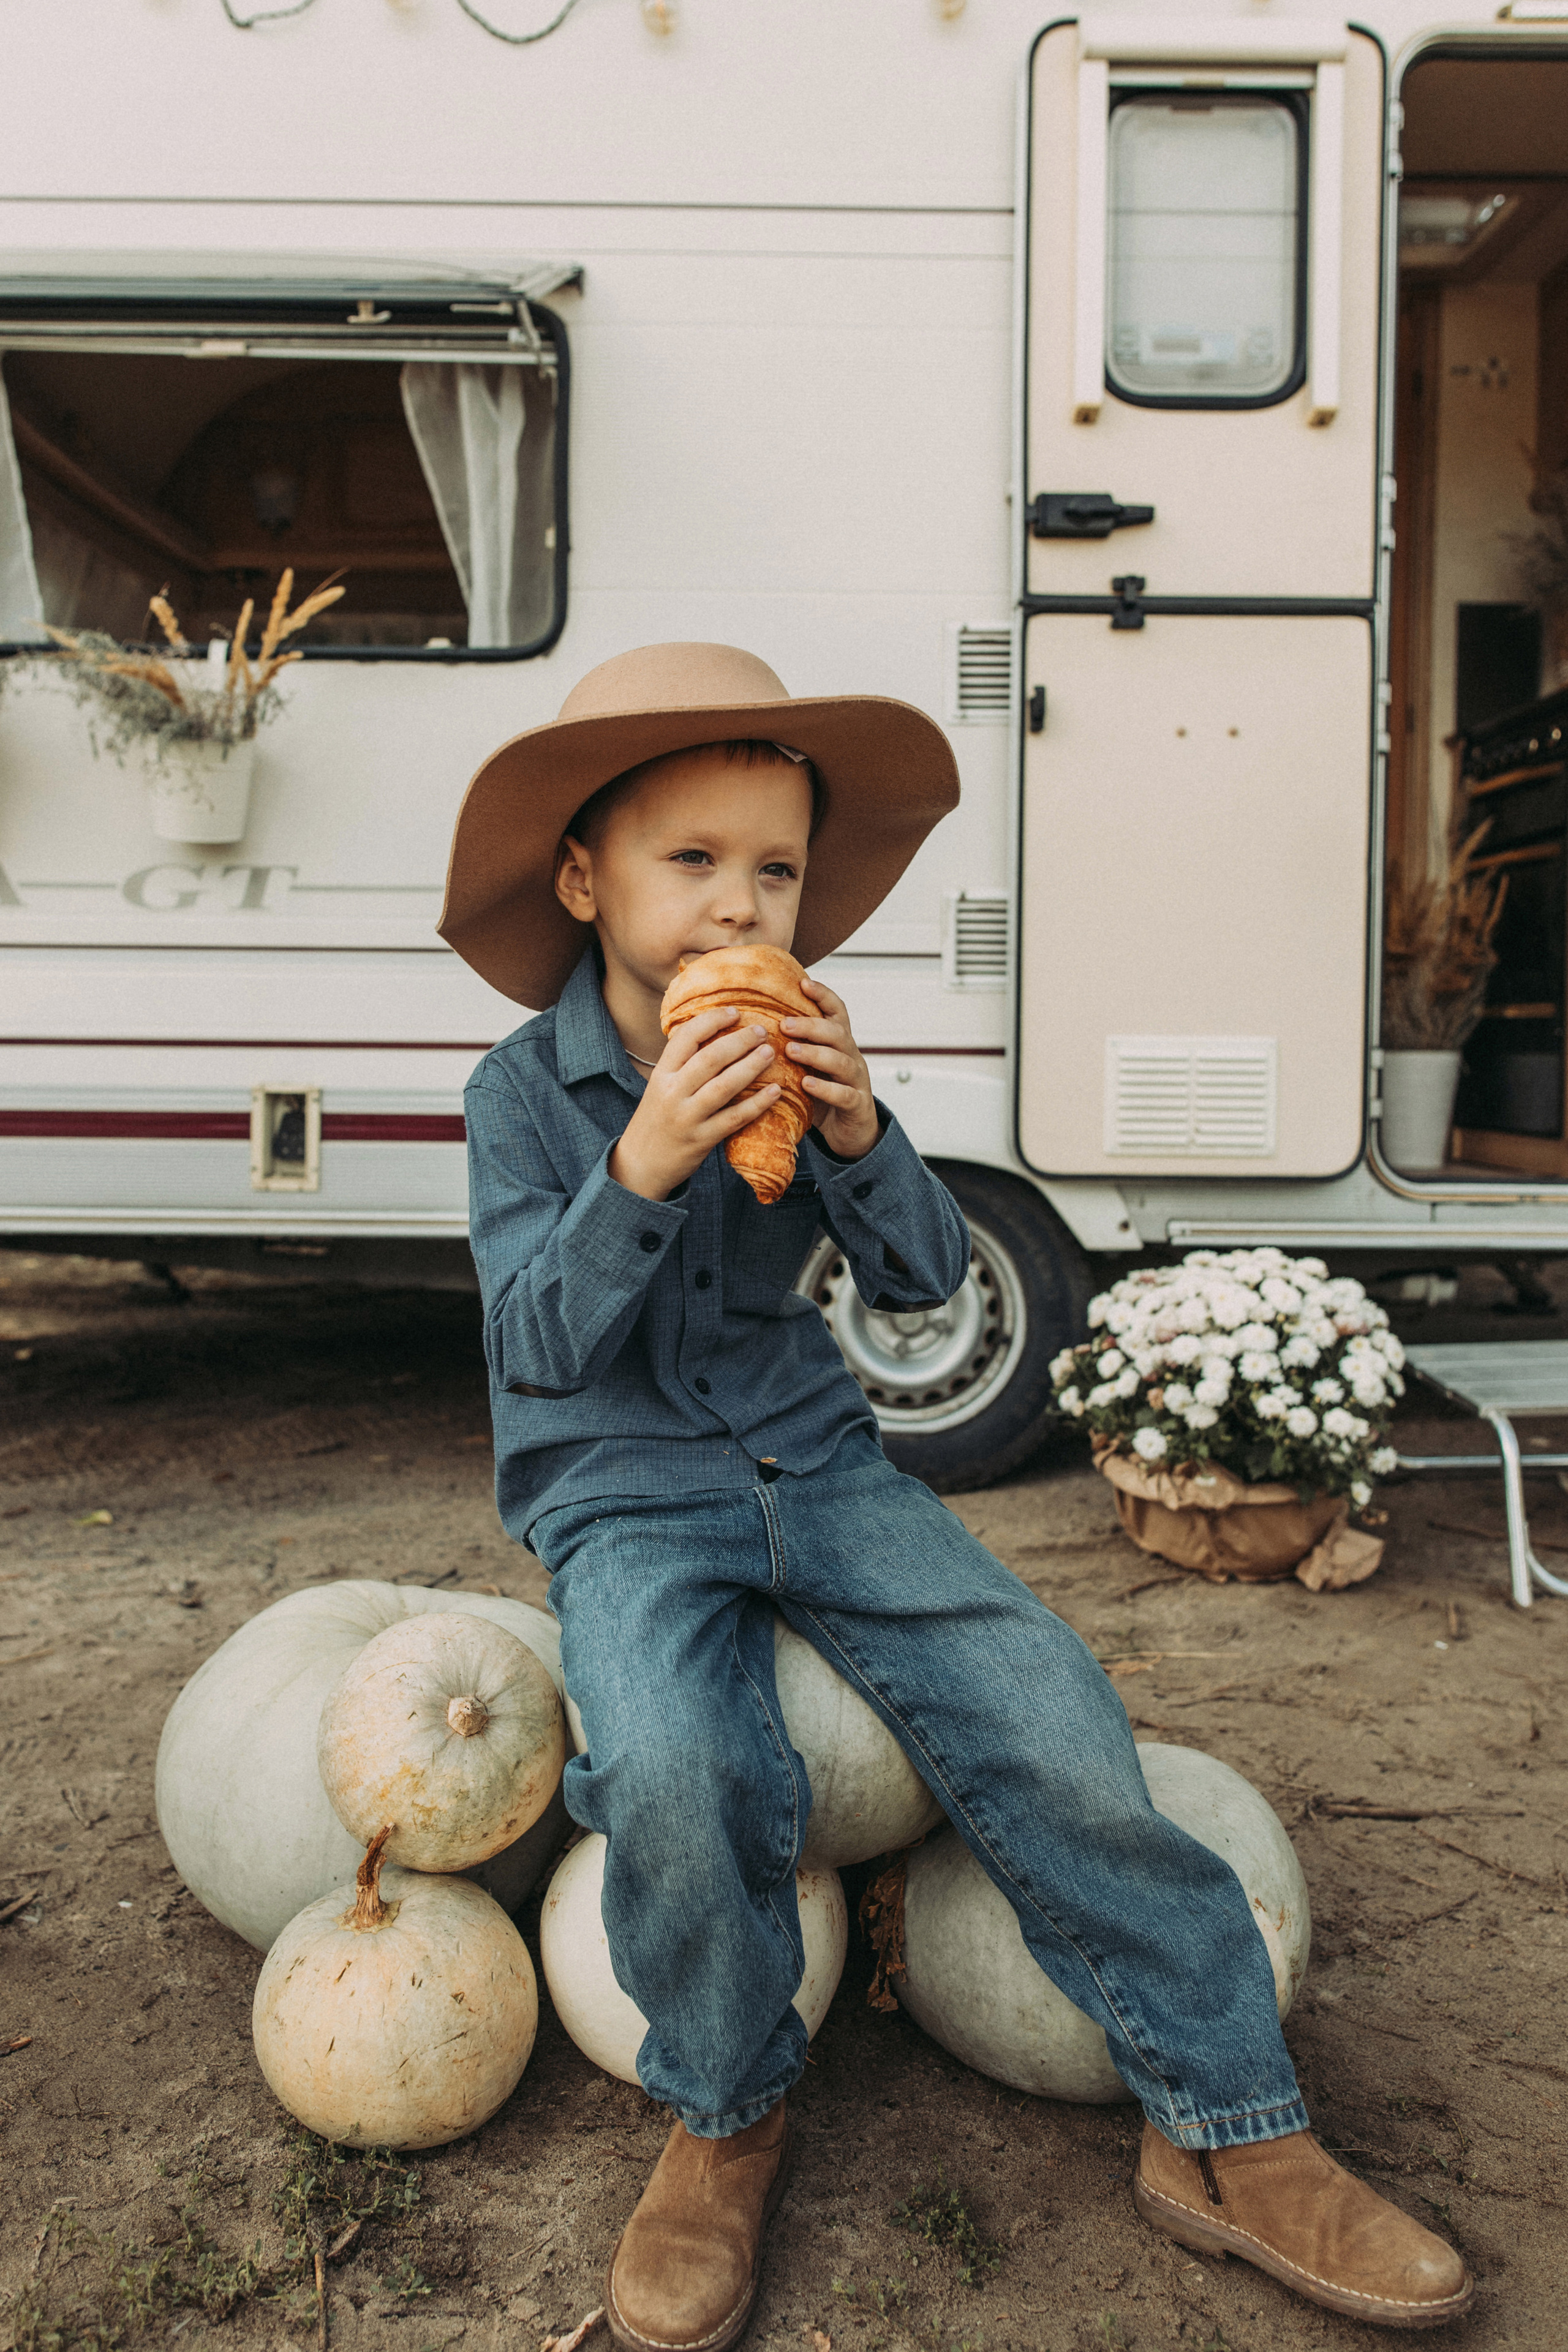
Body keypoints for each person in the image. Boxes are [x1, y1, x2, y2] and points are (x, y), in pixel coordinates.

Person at [444, 643, 1474, 2350]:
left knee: (1049, 1700)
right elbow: (540, 1351)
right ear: (583, 877)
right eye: (689, 861)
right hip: (621, 1491)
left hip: (815, 1459)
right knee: (677, 1766)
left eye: (773, 869)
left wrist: (858, 1135)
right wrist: (639, 1169)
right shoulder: (517, 1100)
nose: (738, 907)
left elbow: (922, 1286)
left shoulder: (803, 1047)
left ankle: (1237, 2123)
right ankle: (725, 2116)